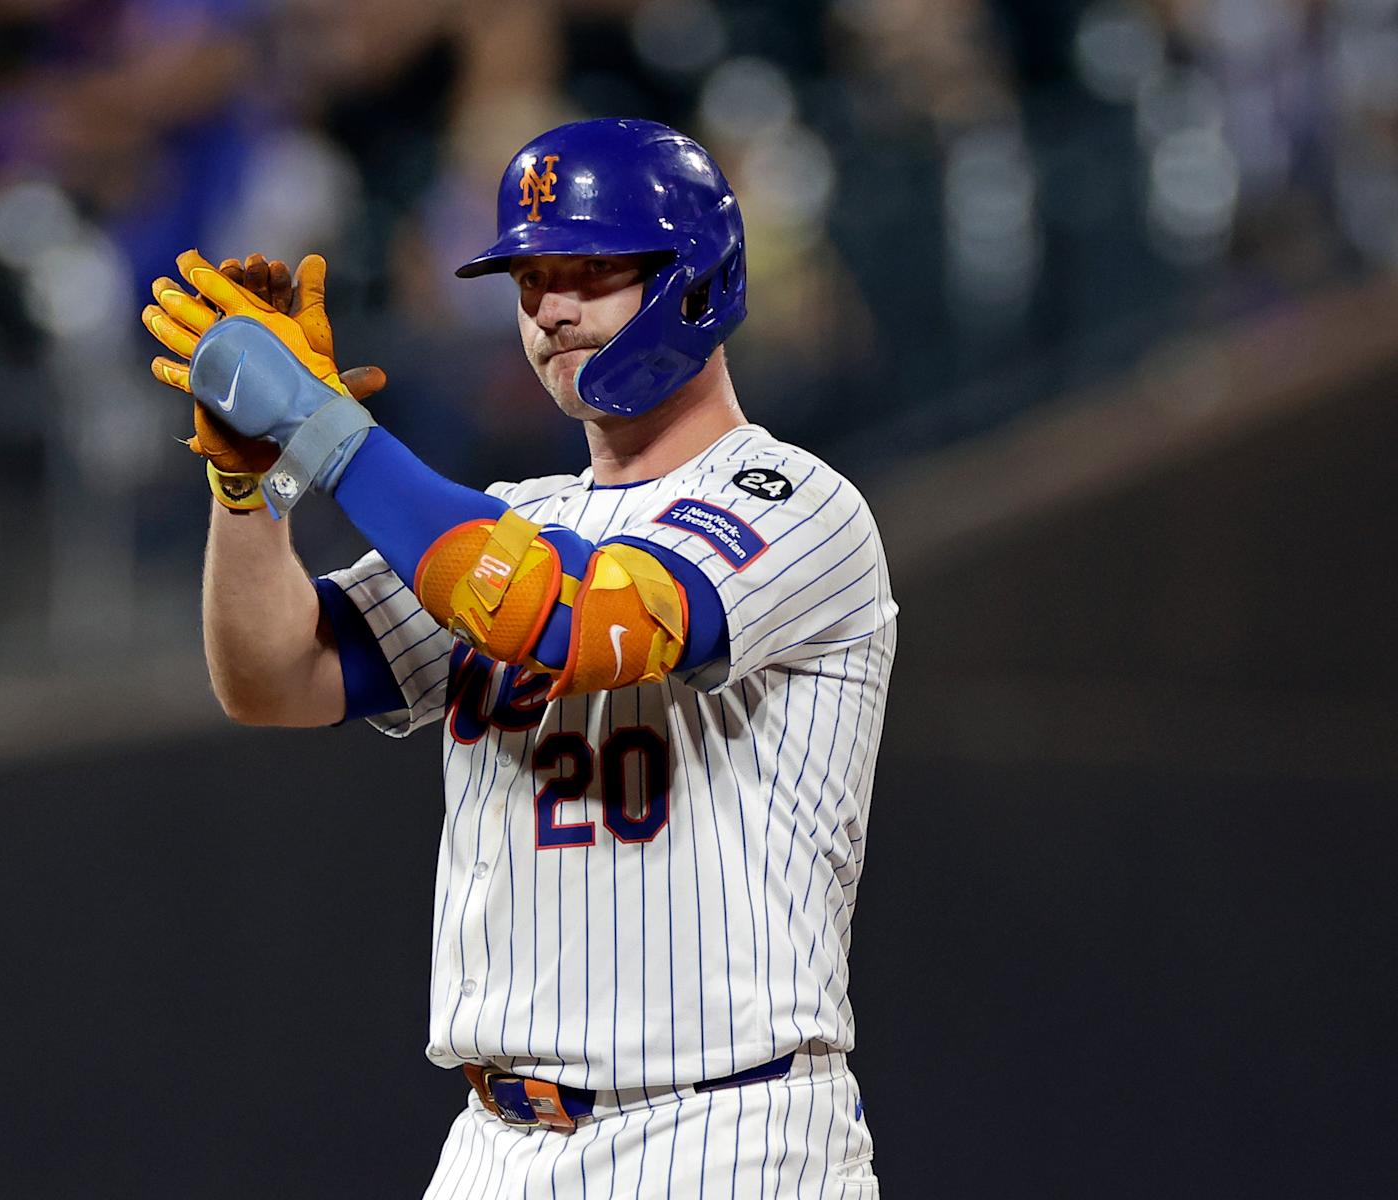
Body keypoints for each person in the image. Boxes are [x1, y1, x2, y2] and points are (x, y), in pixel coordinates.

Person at [143, 118, 897, 1198]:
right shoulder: (514, 517)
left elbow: (565, 622)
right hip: (497, 1144)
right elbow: (275, 678)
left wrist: (326, 428)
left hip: (727, 1130)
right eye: (531, 278)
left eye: (590, 268)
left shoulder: (793, 502)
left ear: (695, 278)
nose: (551, 308)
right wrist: (251, 483)